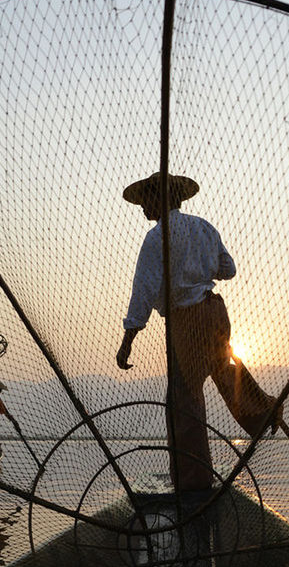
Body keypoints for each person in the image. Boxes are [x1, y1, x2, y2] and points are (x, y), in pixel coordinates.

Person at [116, 172, 278, 491]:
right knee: (219, 370)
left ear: (160, 199)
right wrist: (199, 266)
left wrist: (128, 340)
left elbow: (143, 291)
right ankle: (263, 410)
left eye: (146, 200)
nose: (142, 208)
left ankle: (193, 484)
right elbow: (228, 270)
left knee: (183, 399)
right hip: (215, 310)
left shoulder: (157, 236)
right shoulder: (203, 226)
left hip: (187, 318)